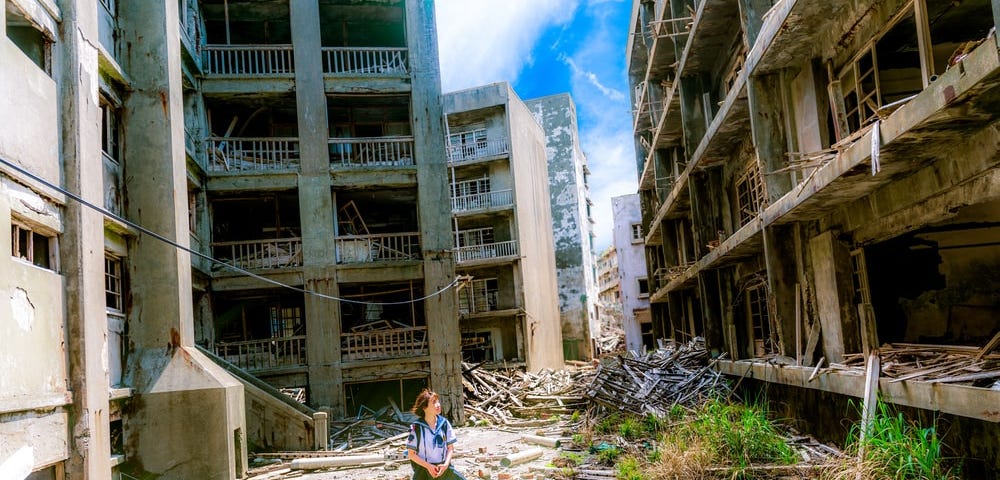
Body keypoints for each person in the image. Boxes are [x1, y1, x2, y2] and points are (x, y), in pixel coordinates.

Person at [406, 389, 467, 480]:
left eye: (438, 401)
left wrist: (446, 465)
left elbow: (450, 448)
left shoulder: (444, 424)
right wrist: (429, 467)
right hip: (423, 471)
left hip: (443, 468)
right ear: (424, 407)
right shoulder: (417, 428)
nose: (438, 405)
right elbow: (411, 454)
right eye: (434, 402)